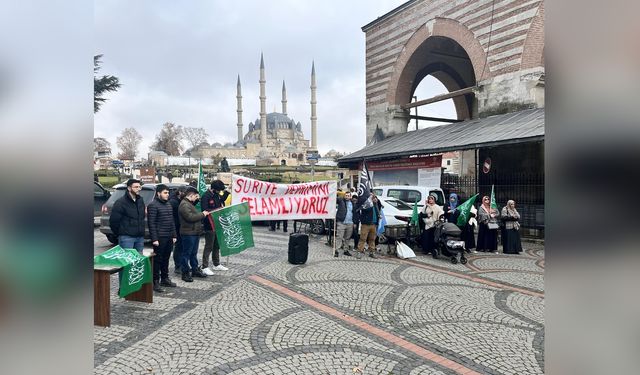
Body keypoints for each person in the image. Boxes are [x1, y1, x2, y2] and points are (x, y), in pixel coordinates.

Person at [147, 184, 178, 293]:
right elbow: (151, 223)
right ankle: (155, 281)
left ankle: (165, 278)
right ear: (158, 193)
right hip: (159, 238)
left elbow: (172, 221)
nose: (167, 195)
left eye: (168, 193)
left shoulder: (168, 204)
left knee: (166, 259)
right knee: (157, 260)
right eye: (165, 193)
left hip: (169, 236)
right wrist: (154, 239)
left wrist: (174, 235)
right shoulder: (153, 205)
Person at [179, 187, 210, 282]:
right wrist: (203, 214)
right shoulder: (184, 205)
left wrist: (197, 199)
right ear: (190, 195)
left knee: (193, 253)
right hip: (188, 233)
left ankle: (195, 270)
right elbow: (190, 217)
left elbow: (193, 213)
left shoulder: (189, 203)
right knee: (186, 254)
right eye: (195, 196)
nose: (197, 198)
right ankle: (185, 273)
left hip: (194, 232)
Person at [201, 180, 231, 275]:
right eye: (218, 190)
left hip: (218, 224)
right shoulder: (206, 196)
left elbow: (222, 199)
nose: (219, 192)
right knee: (209, 246)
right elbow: (205, 210)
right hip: (209, 225)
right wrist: (218, 210)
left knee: (216, 245)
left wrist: (228, 191)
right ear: (213, 189)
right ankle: (204, 266)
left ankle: (216, 264)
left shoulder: (217, 195)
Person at [109, 178, 145, 253]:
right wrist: (121, 233)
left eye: (139, 187)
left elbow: (142, 217)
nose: (139, 189)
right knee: (127, 262)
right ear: (129, 188)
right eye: (136, 187)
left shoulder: (140, 200)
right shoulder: (120, 202)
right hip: (126, 238)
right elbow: (113, 221)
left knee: (138, 262)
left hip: (140, 237)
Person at [356, 192, 383, 259]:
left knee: (372, 239)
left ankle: (372, 252)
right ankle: (359, 251)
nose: (372, 197)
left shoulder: (376, 204)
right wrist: (370, 201)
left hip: (374, 224)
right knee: (363, 238)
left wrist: (376, 201)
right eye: (371, 196)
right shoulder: (366, 204)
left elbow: (380, 207)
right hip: (366, 224)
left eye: (373, 196)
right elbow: (365, 209)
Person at [169, 186, 187, 274]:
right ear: (180, 192)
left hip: (181, 226)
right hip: (176, 227)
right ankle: (178, 266)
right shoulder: (173, 202)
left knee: (182, 247)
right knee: (178, 247)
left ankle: (182, 265)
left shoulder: (179, 200)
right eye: (185, 193)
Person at [334, 191, 354, 257]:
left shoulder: (353, 203)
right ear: (344, 196)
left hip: (350, 223)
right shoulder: (341, 200)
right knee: (339, 237)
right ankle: (337, 250)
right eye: (346, 195)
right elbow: (335, 199)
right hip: (341, 222)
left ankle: (346, 250)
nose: (347, 197)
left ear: (350, 196)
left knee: (347, 238)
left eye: (348, 195)